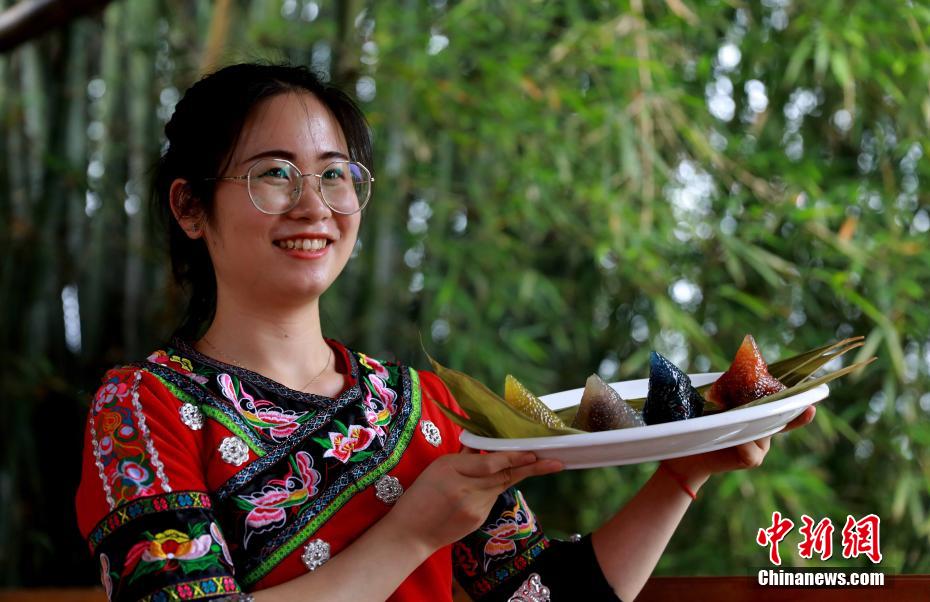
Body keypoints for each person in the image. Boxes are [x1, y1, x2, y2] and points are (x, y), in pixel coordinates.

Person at [75, 63, 815, 602]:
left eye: (336, 175)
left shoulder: (419, 407)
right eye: (273, 174)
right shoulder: (144, 409)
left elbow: (542, 598)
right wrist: (412, 535)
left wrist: (684, 471)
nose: (315, 205)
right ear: (189, 207)